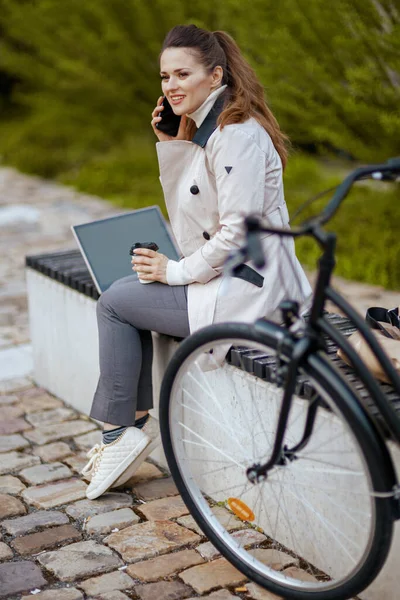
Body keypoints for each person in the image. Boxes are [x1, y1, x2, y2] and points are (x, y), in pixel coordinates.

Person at [81, 24, 312, 500]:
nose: (171, 87)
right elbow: (194, 221)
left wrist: (174, 272)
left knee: (115, 302)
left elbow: (236, 233)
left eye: (182, 74)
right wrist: (173, 141)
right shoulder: (213, 127)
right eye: (165, 77)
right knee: (124, 290)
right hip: (234, 278)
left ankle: (119, 433)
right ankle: (124, 429)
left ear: (215, 74)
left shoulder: (235, 134)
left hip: (248, 290)